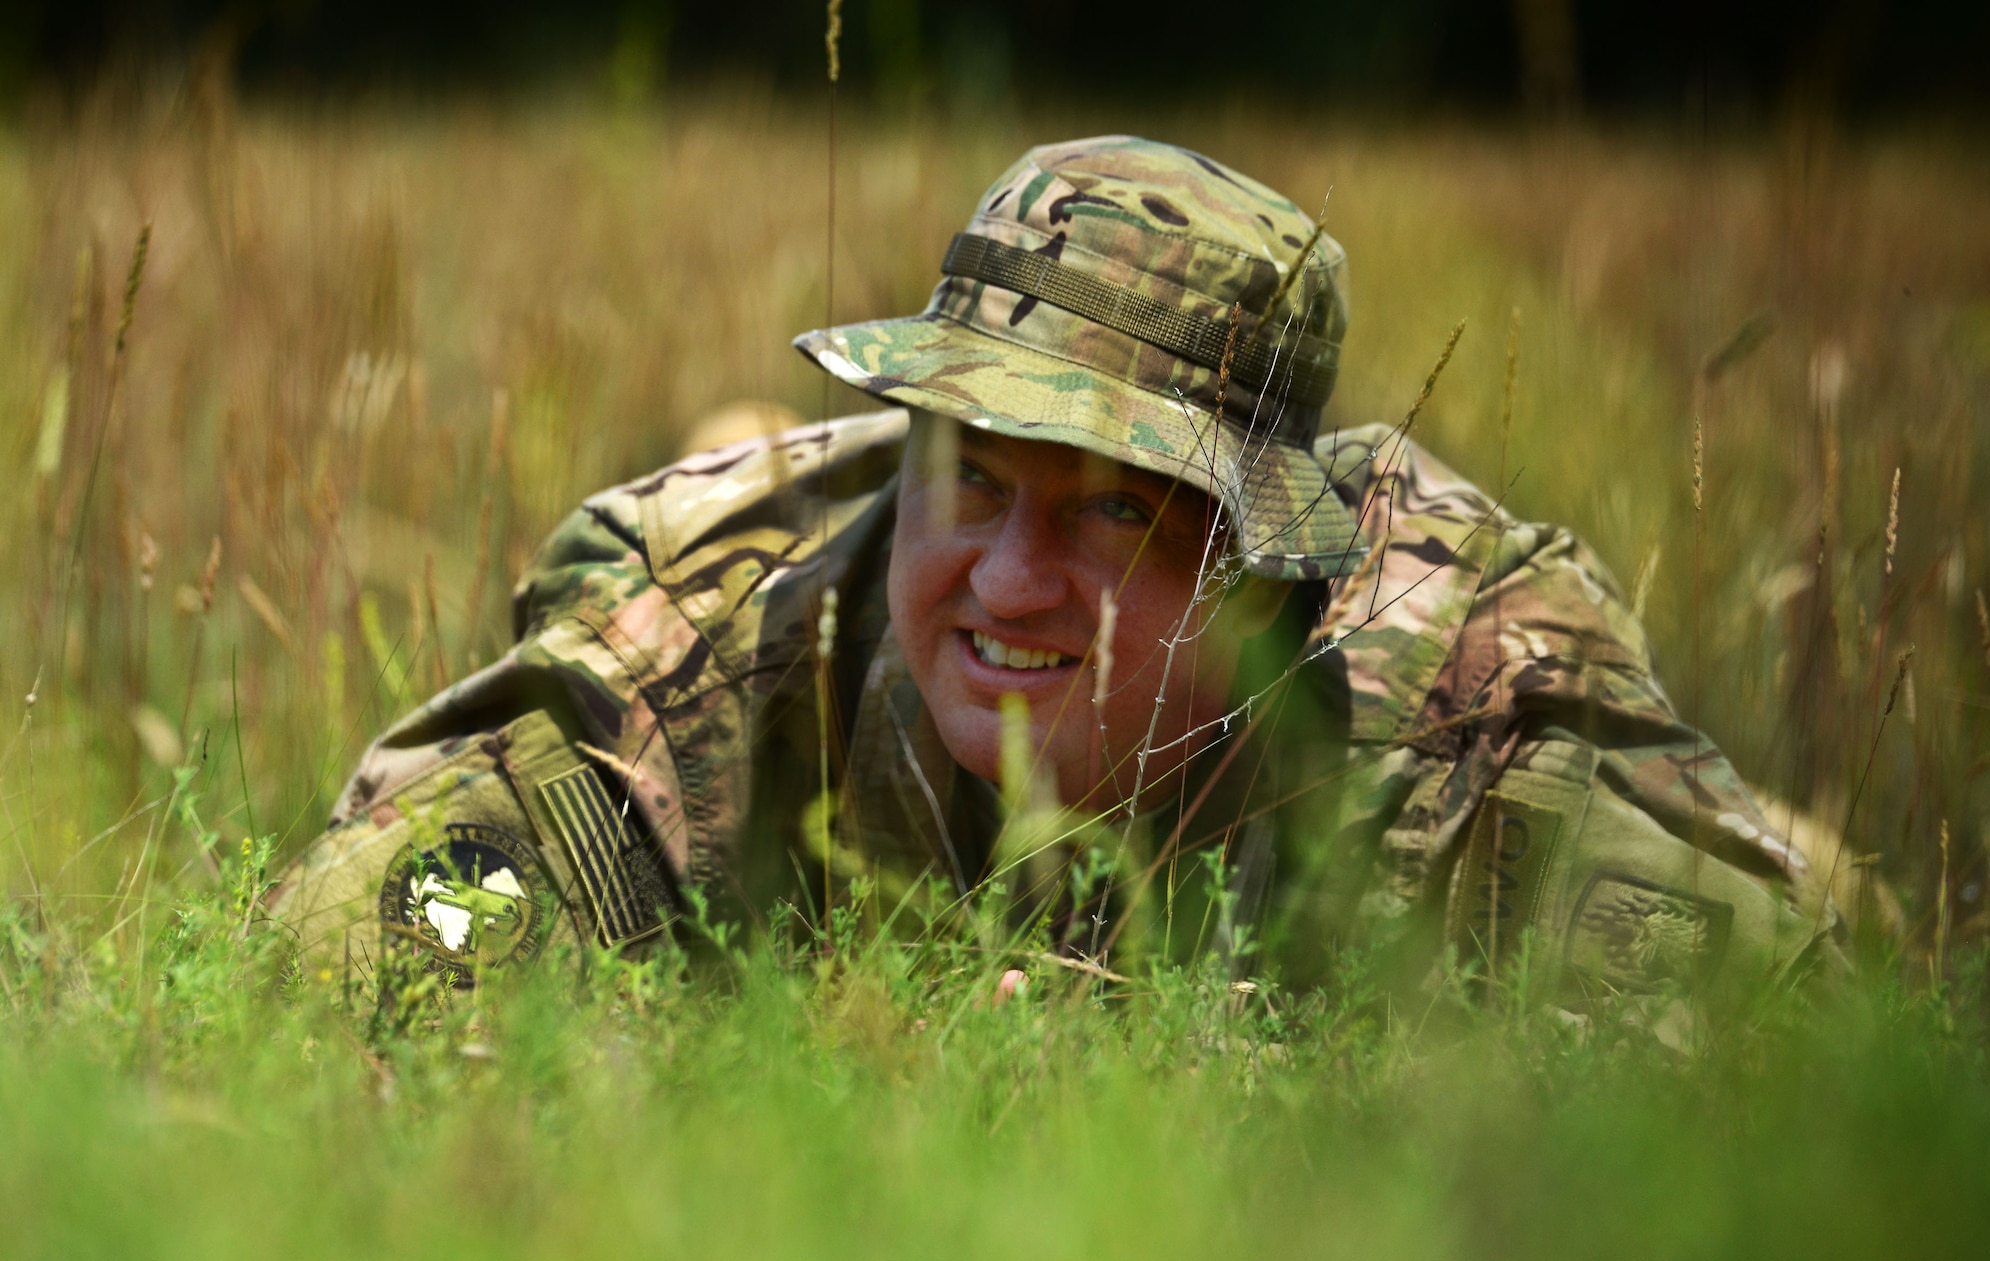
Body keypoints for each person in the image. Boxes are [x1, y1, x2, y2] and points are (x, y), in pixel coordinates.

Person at [270, 136, 1839, 1004]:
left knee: (1830, 891)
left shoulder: (1460, 718)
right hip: (790, 551)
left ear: (1259, 562)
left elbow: (1778, 1084)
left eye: (1114, 518)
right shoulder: (703, 635)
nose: (1012, 579)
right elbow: (356, 966)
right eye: (976, 476)